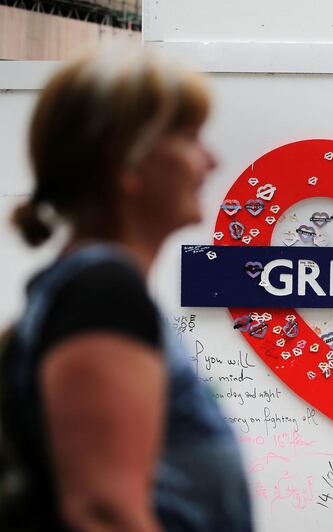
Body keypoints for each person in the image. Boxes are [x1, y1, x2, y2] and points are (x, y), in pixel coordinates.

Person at [0, 46, 252, 531]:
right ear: (125, 162)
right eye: (187, 137)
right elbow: (104, 513)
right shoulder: (103, 293)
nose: (212, 160)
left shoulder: (88, 288)